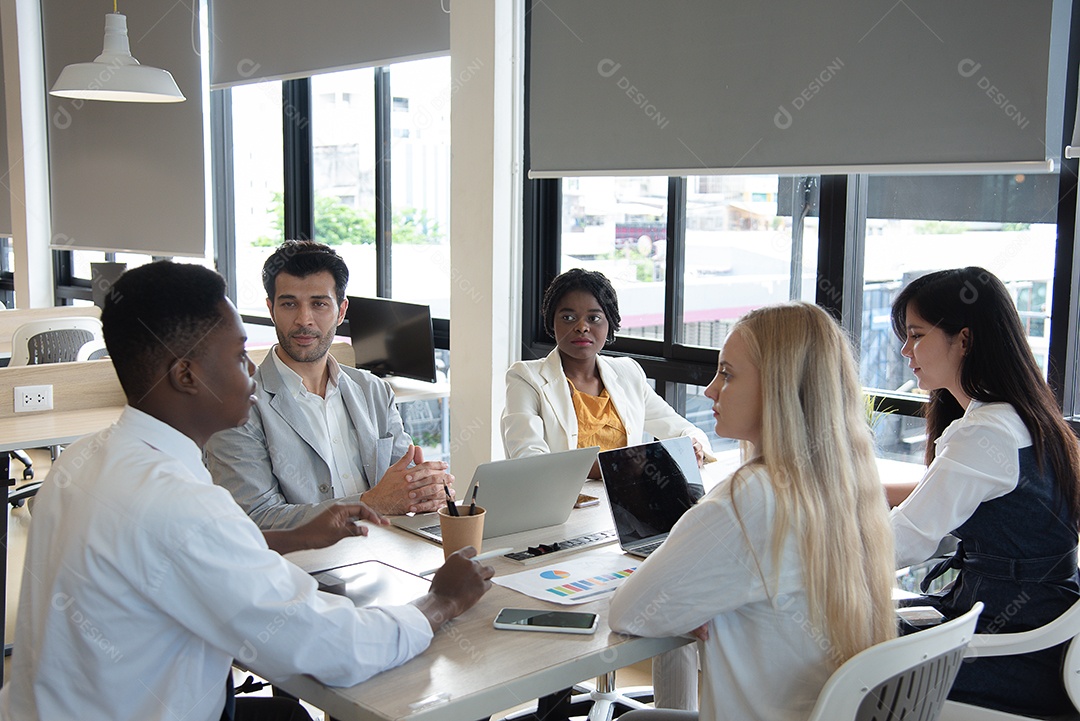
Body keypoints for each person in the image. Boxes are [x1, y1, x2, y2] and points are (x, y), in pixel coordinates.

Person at [0, 261, 493, 721]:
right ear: (186, 375)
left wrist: (295, 538)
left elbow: (169, 552)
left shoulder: (85, 459)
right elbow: (330, 646)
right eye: (239, 357)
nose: (253, 372)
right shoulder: (180, 506)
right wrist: (441, 601)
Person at [609, 302, 897, 721]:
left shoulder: (751, 499)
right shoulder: (845, 481)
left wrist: (686, 606)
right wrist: (694, 603)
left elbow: (628, 611)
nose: (710, 390)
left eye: (727, 373)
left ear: (778, 387)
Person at [501, 268, 711, 712]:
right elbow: (527, 456)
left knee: (674, 591)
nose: (582, 328)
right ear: (551, 323)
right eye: (568, 317)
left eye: (594, 317)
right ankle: (553, 706)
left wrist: (691, 444)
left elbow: (677, 426)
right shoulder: (527, 377)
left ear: (610, 324)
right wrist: (603, 467)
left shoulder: (627, 373)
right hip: (565, 518)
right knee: (565, 617)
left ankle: (675, 711)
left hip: (627, 517)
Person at [886, 267, 1080, 716]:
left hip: (1014, 652)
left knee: (833, 652)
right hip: (1044, 635)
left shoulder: (985, 432)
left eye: (916, 335)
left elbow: (909, 538)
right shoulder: (1021, 416)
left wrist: (814, 562)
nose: (904, 350)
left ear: (965, 340)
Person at [206, 240, 453, 529]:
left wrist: (426, 488)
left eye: (319, 304)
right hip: (300, 566)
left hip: (384, 552)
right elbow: (254, 519)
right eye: (289, 304)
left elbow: (402, 486)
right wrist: (369, 504)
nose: (304, 320)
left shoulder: (373, 390)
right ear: (271, 309)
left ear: (341, 310)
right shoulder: (234, 408)